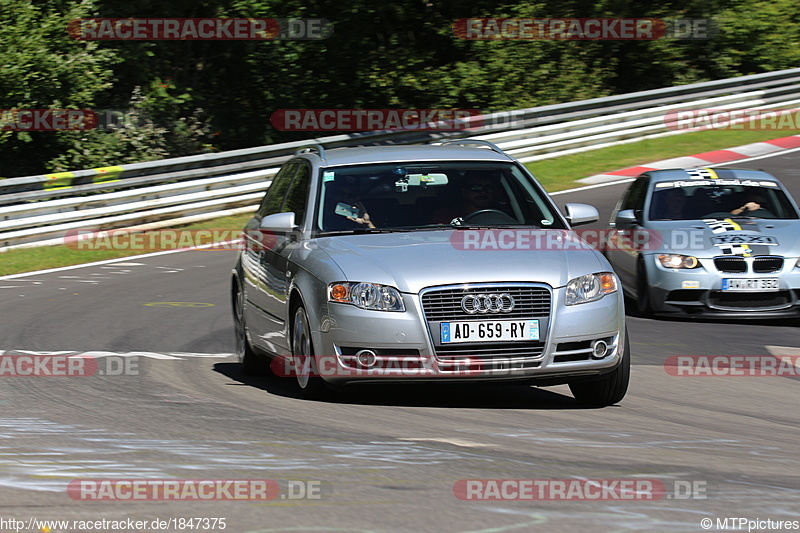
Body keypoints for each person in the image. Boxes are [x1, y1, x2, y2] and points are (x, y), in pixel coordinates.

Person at [430, 170, 503, 224]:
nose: (483, 192)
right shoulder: (445, 215)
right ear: (464, 191)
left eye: (488, 189)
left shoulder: (503, 216)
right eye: (475, 188)